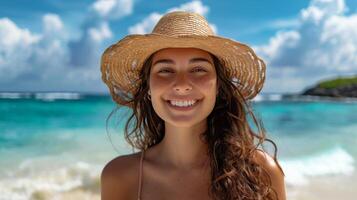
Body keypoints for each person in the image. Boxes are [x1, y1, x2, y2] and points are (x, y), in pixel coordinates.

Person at [100, 11, 286, 200]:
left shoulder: (260, 172)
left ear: (218, 87)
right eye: (165, 70)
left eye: (198, 69)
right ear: (148, 86)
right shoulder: (119, 177)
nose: (182, 85)